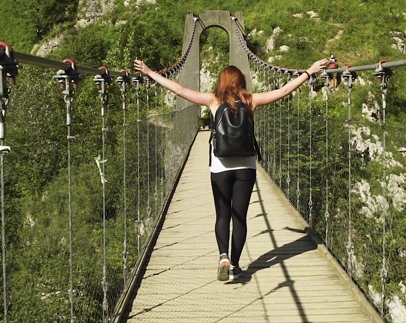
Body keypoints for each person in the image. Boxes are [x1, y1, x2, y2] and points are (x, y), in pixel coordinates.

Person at [134, 58, 328, 281]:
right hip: (246, 165)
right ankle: (235, 264)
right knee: (240, 218)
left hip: (220, 165)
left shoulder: (213, 100)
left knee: (222, 214)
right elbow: (284, 90)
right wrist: (308, 71)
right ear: (241, 81)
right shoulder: (251, 100)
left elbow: (178, 89)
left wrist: (149, 72)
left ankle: (223, 257)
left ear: (222, 81)